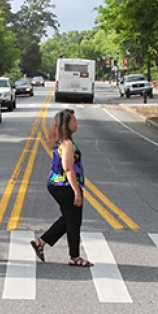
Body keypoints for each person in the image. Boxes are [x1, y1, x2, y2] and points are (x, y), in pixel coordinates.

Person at [30, 109, 93, 267]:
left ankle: (41, 242)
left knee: (69, 218)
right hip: (64, 185)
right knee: (73, 221)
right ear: (66, 124)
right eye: (73, 121)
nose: (76, 123)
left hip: (58, 184)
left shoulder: (62, 141)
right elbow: (68, 168)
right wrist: (76, 191)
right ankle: (75, 257)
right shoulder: (67, 143)